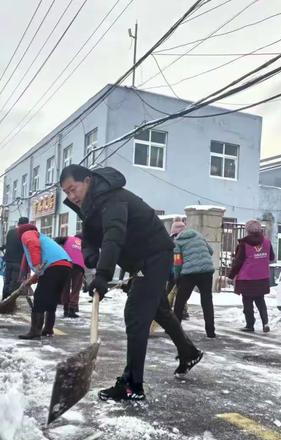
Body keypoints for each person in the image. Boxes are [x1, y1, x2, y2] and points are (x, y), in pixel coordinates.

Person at [60, 164, 202, 402]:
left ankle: (132, 384)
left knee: (136, 313)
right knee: (158, 309)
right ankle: (189, 352)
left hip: (155, 254)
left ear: (87, 180)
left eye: (73, 189)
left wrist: (103, 274)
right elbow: (89, 237)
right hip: (142, 259)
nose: (71, 196)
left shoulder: (112, 199)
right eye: (67, 193)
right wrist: (92, 257)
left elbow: (114, 234)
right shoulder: (91, 205)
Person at [17, 223, 72, 339]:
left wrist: (37, 267)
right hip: (65, 266)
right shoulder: (43, 237)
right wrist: (34, 277)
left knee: (39, 298)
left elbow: (33, 245)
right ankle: (48, 329)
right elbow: (42, 268)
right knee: (52, 298)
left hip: (53, 266)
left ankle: (35, 331)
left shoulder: (27, 233)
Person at [228, 219, 275, 333]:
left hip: (247, 278)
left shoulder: (244, 244)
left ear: (247, 231)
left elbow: (238, 262)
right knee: (260, 300)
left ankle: (250, 325)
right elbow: (272, 257)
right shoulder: (267, 242)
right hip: (262, 277)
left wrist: (231, 275)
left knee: (247, 302)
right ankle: (265, 323)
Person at [173, 226, 216, 338]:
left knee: (180, 301)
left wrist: (177, 277)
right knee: (207, 300)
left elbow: (177, 262)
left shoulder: (177, 242)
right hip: (207, 271)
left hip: (189, 273)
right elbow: (211, 251)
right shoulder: (199, 236)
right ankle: (210, 332)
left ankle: (175, 330)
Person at [55, 234, 86, 318]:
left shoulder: (67, 238)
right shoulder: (83, 243)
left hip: (66, 263)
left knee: (65, 287)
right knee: (76, 288)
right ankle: (72, 310)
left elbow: (56, 240)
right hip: (79, 265)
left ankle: (65, 310)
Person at [2, 217, 29, 299]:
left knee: (7, 281)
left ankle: (4, 299)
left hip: (8, 261)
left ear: (18, 223)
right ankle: (10, 302)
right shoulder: (25, 233)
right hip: (18, 261)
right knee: (15, 283)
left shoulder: (10, 232)